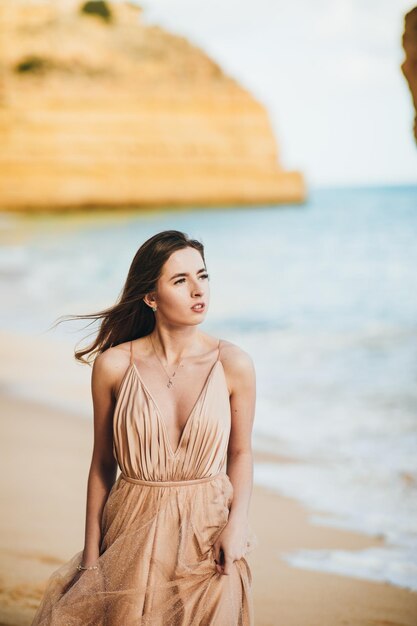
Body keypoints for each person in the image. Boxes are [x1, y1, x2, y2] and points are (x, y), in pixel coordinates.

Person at [31, 229, 257, 625]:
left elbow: (240, 452)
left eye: (203, 276)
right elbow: (102, 463)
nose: (197, 290)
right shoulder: (114, 366)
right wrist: (91, 557)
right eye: (180, 280)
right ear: (150, 297)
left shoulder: (233, 363)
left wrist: (236, 526)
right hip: (131, 533)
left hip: (208, 535)